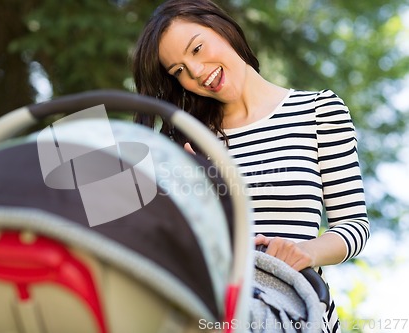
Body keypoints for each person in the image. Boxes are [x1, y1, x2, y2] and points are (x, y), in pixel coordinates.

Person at [132, 0, 370, 332]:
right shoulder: (183, 141)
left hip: (297, 313)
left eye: (197, 49)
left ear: (223, 28)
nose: (197, 72)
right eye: (180, 71)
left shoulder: (319, 110)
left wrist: (305, 252)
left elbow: (354, 226)